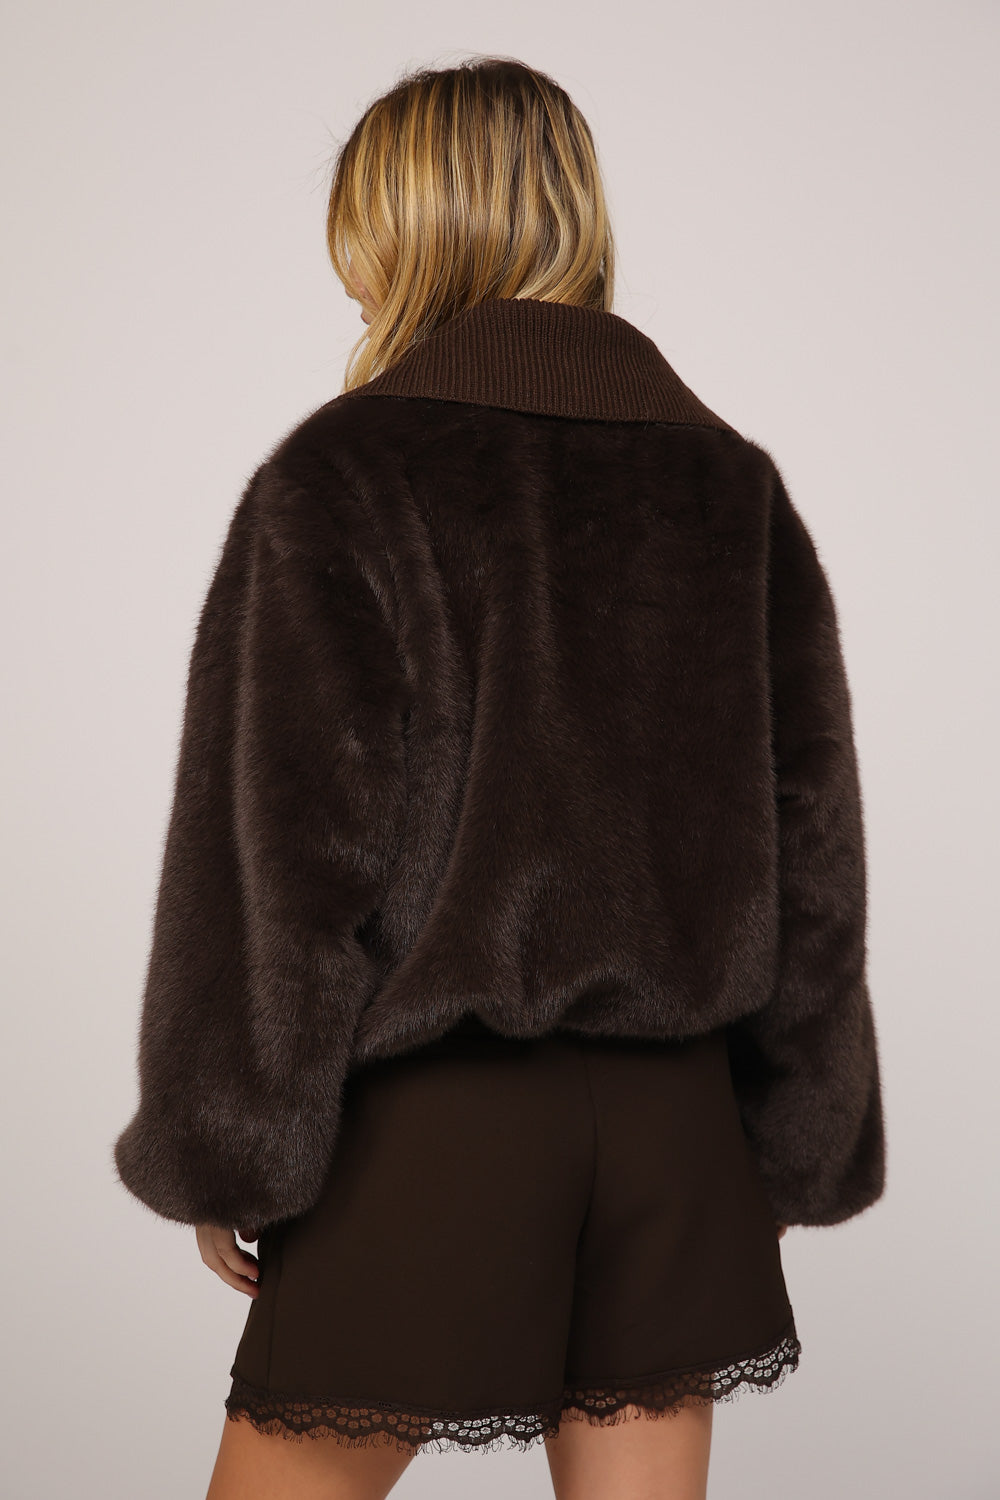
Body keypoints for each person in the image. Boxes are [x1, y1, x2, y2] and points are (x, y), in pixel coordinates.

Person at [112, 55, 885, 1500]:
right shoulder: (732, 485)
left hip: (434, 1128)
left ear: (409, 228)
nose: (350, 276)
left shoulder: (344, 476)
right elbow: (812, 848)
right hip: (675, 1135)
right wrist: (792, 1143)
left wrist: (230, 1145)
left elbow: (280, 859)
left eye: (360, 235)